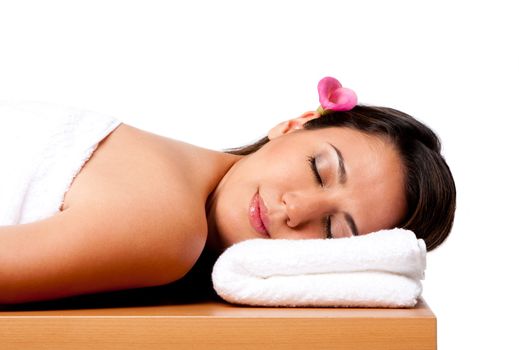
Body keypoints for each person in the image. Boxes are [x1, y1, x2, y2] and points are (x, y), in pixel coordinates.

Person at [0, 78, 456, 305]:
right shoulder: (168, 232)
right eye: (319, 169)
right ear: (295, 124)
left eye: (334, 231)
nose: (295, 209)